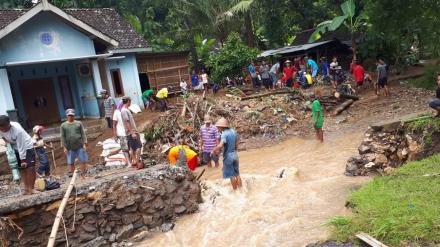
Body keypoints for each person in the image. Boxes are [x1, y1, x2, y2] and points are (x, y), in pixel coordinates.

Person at [0, 115, 37, 195]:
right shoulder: (0, 129)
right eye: (1, 129)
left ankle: (32, 188)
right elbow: (3, 137)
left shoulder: (17, 129)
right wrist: (7, 143)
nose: (3, 130)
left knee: (30, 167)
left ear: (9, 124)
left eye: (4, 128)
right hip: (14, 148)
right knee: (21, 169)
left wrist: (23, 160)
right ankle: (26, 189)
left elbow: (21, 146)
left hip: (26, 147)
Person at [212, 117, 242, 190]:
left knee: (231, 175)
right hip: (235, 155)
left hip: (228, 157)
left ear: (222, 127)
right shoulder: (233, 131)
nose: (217, 129)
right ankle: (241, 190)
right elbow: (237, 141)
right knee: (237, 174)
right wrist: (235, 149)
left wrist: (213, 150)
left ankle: (235, 191)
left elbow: (221, 145)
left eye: (218, 127)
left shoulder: (224, 134)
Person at [60, 109, 88, 177]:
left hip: (79, 145)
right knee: (71, 162)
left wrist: (84, 143)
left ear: (74, 115)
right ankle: (74, 176)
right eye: (69, 115)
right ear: (67, 116)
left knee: (83, 160)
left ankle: (83, 175)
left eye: (72, 115)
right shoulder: (63, 125)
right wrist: (64, 147)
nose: (71, 117)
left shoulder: (79, 123)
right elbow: (62, 137)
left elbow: (83, 134)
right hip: (69, 147)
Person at [121, 96, 142, 167]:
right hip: (131, 132)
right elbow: (127, 123)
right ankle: (137, 161)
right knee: (138, 146)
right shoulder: (124, 111)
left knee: (132, 148)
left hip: (131, 132)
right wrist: (132, 133)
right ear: (128, 101)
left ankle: (135, 161)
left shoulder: (125, 110)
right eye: (130, 101)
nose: (130, 102)